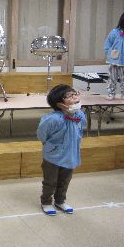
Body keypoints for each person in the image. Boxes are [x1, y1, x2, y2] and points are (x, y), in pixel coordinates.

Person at [37, 84, 85, 216]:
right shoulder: (52, 119)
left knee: (65, 180)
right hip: (53, 156)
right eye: (70, 96)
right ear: (60, 104)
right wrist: (48, 145)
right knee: (50, 181)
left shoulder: (80, 115)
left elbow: (80, 129)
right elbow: (42, 134)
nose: (75, 97)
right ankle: (46, 201)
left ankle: (60, 200)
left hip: (70, 154)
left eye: (75, 94)